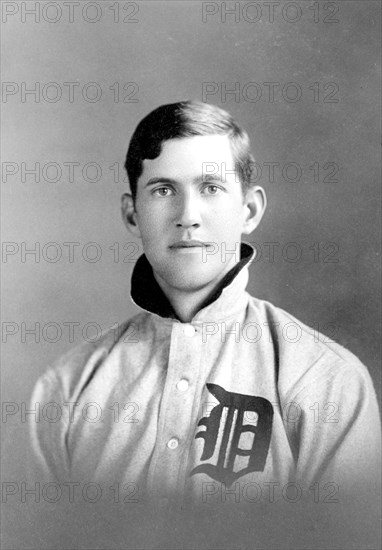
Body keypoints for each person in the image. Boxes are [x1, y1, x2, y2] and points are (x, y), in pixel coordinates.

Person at [28, 101, 381, 549]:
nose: (187, 215)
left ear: (249, 211)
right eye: (162, 190)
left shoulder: (327, 383)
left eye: (211, 187)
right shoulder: (67, 388)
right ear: (132, 213)